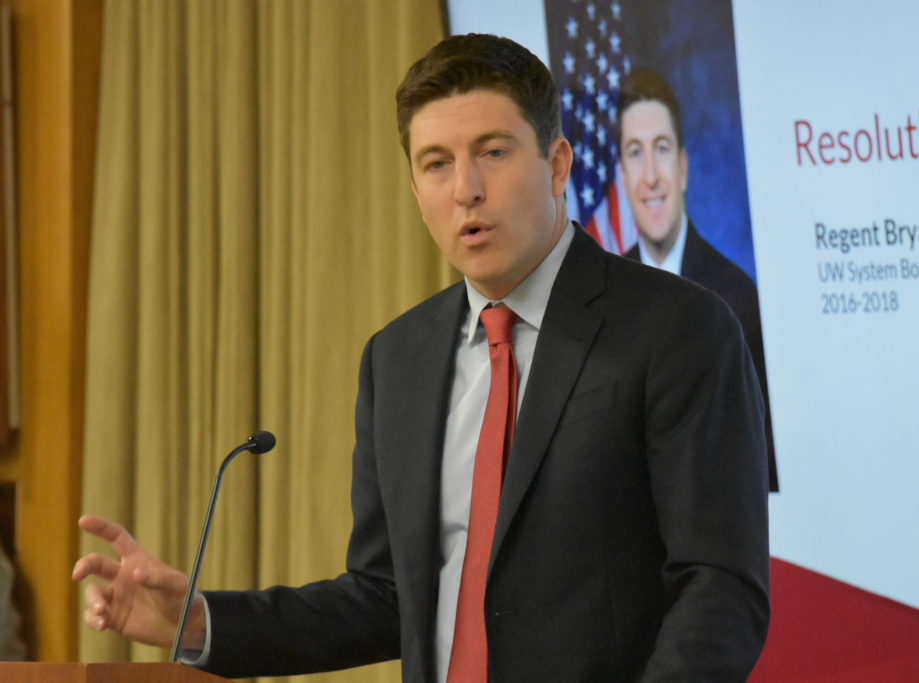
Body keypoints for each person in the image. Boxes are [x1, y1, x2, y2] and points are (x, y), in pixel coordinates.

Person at [74, 34, 769, 681]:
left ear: (557, 164)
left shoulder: (679, 329)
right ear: (415, 190)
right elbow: (383, 595)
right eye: (436, 163)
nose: (465, 187)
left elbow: (720, 588)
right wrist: (201, 620)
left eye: (493, 152)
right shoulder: (396, 360)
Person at [616, 67, 778, 492]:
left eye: (661, 148)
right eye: (635, 152)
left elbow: (763, 464)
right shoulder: (600, 301)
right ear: (622, 175)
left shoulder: (738, 298)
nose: (650, 175)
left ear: (684, 167)